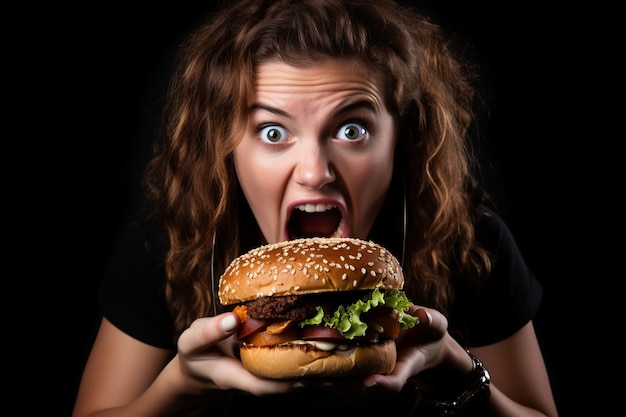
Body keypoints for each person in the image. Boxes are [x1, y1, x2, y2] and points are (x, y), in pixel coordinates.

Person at [71, 0, 559, 416]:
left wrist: (456, 372)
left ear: (402, 140)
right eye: (272, 132)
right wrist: (177, 386)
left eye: (352, 130)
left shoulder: (474, 244)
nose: (314, 172)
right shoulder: (170, 242)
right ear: (227, 147)